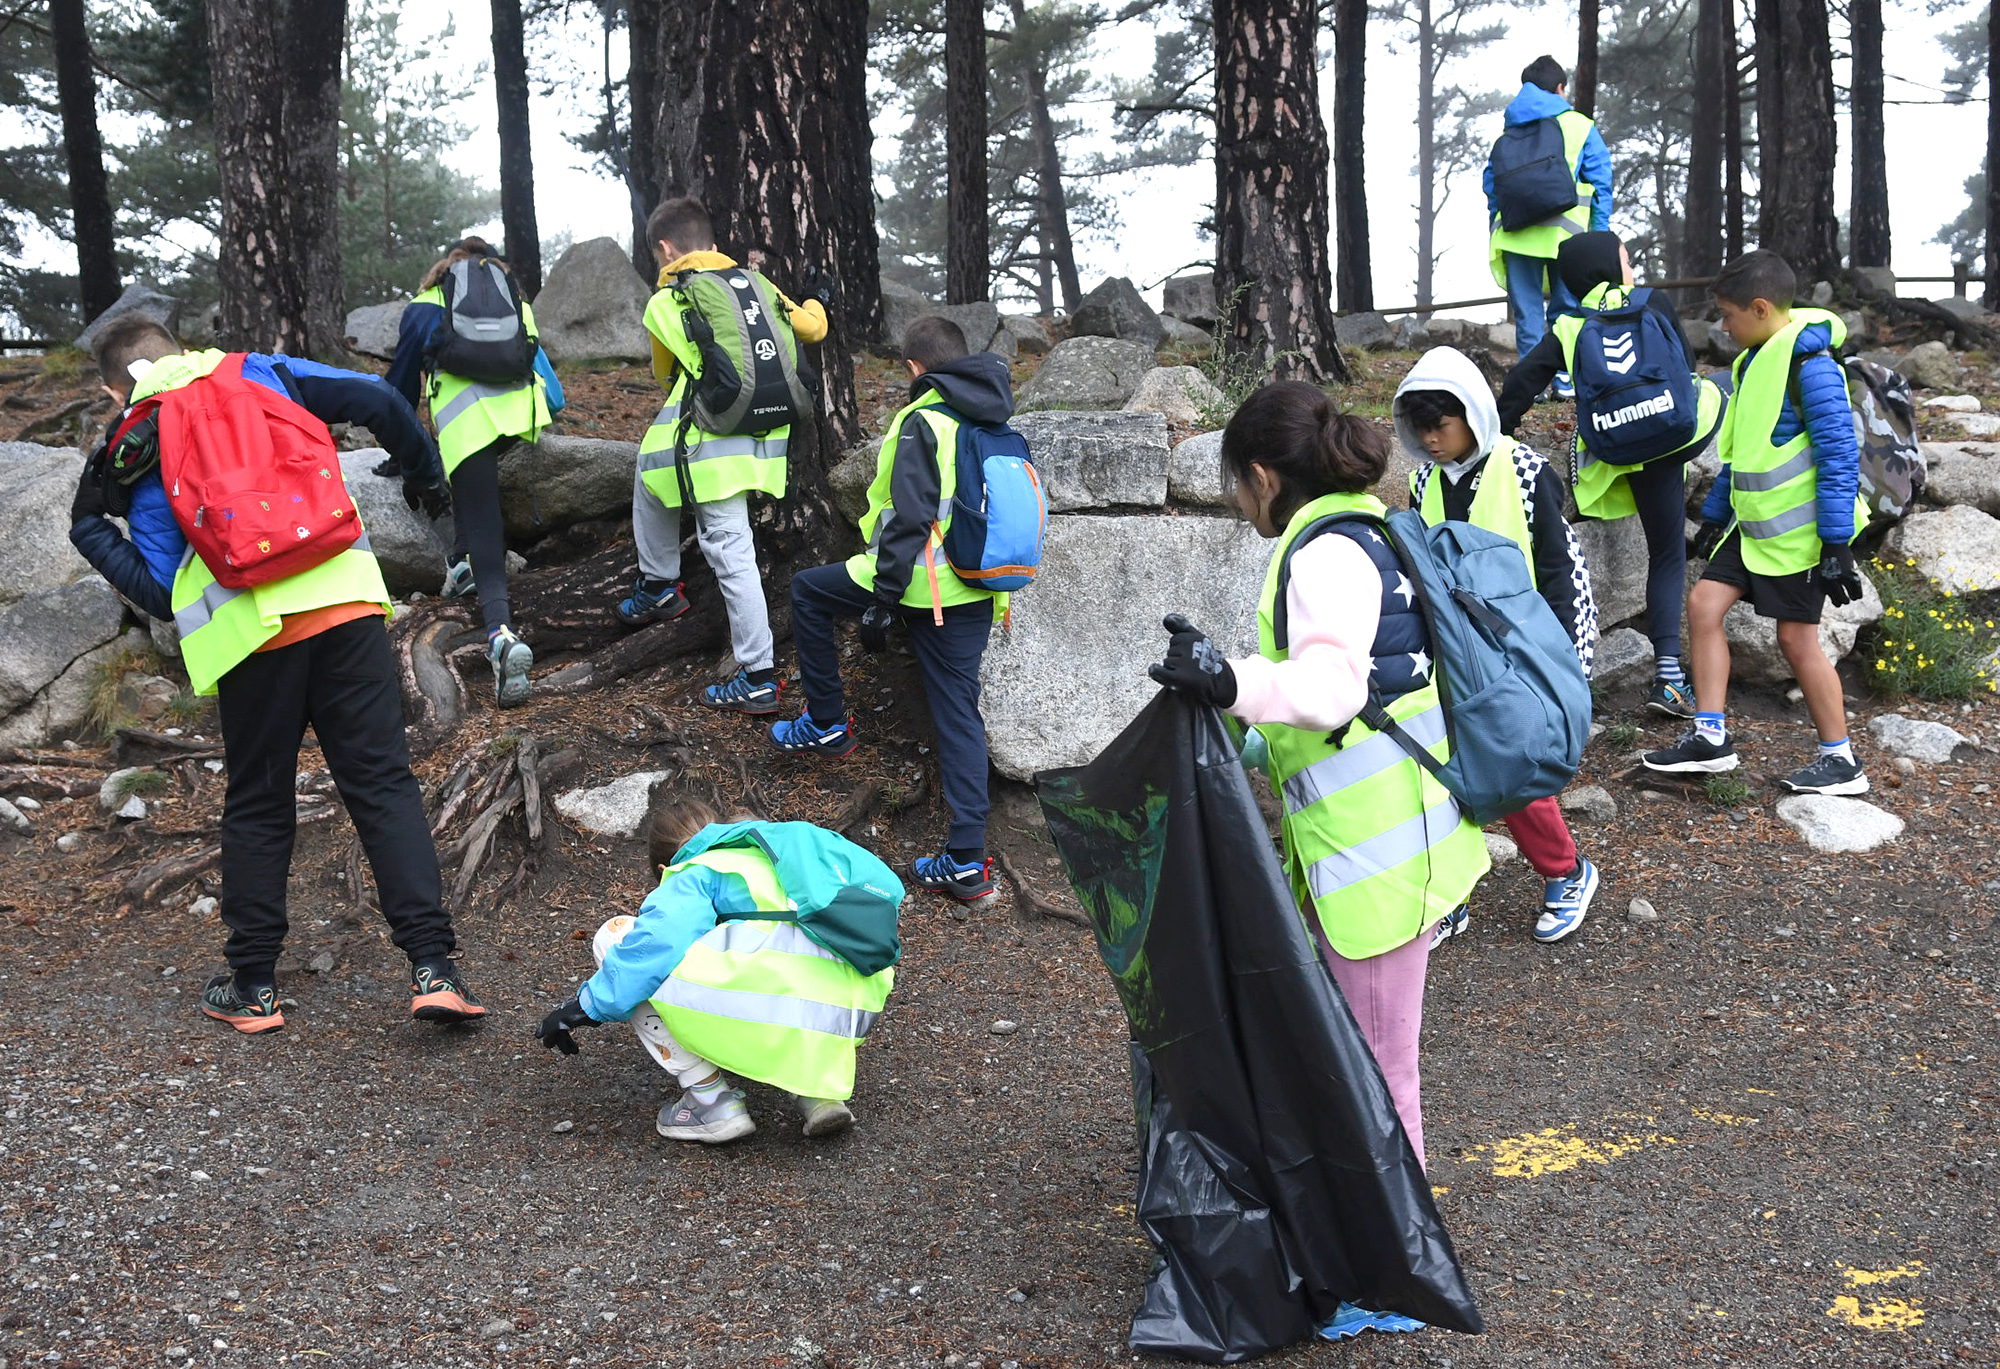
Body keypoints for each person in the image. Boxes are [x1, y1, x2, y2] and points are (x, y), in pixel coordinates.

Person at [70, 316, 485, 1034]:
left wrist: (90, 528)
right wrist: (422, 471)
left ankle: (254, 986)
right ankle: (434, 968)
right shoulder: (257, 370)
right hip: (345, 600)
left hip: (249, 635)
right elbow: (381, 402)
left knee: (260, 800)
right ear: (178, 349)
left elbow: (165, 584)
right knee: (383, 785)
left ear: (116, 386)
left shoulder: (139, 436)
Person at [1147, 381, 1491, 1195]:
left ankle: (1395, 1265)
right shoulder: (1372, 530)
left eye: (1237, 483)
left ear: (1264, 476)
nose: (1238, 502)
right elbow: (1366, 705)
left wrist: (1230, 682)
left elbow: (1333, 688)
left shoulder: (1326, 553)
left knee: (1375, 1067)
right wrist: (1248, 733)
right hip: (1404, 840)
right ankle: (1379, 1239)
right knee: (1369, 1055)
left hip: (1376, 867)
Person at [769, 316, 1014, 902]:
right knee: (959, 716)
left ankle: (826, 723)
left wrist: (882, 601)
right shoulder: (993, 418)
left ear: (914, 368)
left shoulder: (921, 419)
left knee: (807, 589)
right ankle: (966, 861)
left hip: (920, 584)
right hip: (979, 587)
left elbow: (907, 517)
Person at [534, 796, 900, 1144]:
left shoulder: (697, 868)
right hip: (854, 1008)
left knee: (617, 937)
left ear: (664, 868)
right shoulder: (771, 854)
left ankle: (710, 1102)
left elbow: (655, 945)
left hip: (782, 1003)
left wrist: (587, 1006)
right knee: (788, 952)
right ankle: (818, 1096)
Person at [1643, 250, 1871, 795]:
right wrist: (1713, 519)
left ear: (1762, 308)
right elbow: (1741, 453)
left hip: (1799, 537)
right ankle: (1709, 738)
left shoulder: (1811, 366)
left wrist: (1836, 543)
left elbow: (1841, 453)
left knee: (1797, 641)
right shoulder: (1751, 364)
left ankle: (1841, 761)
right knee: (1703, 606)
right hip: (1750, 530)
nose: (1723, 326)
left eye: (1728, 314)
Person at [1395, 347, 1600, 944]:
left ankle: (1567, 872)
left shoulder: (1528, 471)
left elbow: (1561, 570)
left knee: (1510, 763)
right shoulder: (1423, 483)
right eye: (1420, 428)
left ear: (1472, 414)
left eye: (1442, 425)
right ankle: (1452, 891)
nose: (1431, 439)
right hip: (1455, 647)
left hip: (1527, 645)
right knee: (1441, 762)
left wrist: (1560, 661)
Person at [1498, 230, 1726, 718]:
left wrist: (1500, 431)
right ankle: (1668, 678)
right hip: (1667, 439)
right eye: (1626, 259)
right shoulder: (1653, 301)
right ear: (1608, 266)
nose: (1631, 267)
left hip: (1615, 448)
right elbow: (1684, 368)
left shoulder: (1570, 325)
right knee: (1666, 554)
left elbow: (1522, 381)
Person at [620, 195, 831, 715]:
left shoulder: (667, 300)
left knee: (731, 554)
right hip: (768, 441)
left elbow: (664, 372)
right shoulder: (756, 283)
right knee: (650, 470)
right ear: (713, 246)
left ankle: (756, 673)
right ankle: (658, 583)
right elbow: (814, 329)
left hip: (714, 444)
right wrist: (817, 298)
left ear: (665, 249)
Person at [385, 236, 564, 707]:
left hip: (469, 424)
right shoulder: (512, 299)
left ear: (444, 268)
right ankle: (460, 563)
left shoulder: (426, 304)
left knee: (485, 523)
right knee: (474, 502)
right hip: (519, 420)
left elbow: (399, 391)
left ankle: (501, 637)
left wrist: (400, 455)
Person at [1484, 54, 1613, 392]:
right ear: (1559, 88)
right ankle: (1566, 377)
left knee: (1527, 316)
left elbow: (1491, 182)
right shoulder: (1579, 125)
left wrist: (1496, 222)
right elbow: (1600, 182)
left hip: (1515, 235)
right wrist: (1598, 234)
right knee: (1567, 310)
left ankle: (1533, 384)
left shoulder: (1510, 129)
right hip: (1566, 236)